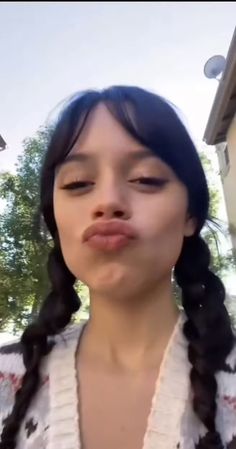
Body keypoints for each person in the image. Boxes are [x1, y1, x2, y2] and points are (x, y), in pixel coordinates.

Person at [0, 85, 236, 449]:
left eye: (145, 179)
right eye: (78, 183)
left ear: (190, 215)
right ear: (56, 220)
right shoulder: (6, 377)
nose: (108, 201)